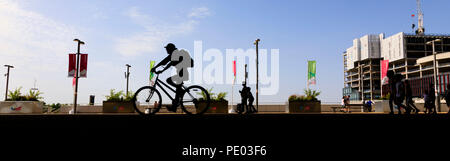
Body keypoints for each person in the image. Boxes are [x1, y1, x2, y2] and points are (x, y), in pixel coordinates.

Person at [151, 43, 193, 112]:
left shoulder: (176, 53)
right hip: (181, 72)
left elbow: (168, 63)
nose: (166, 51)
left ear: (170, 49)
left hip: (182, 73)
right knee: (176, 88)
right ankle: (175, 106)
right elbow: (164, 61)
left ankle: (180, 93)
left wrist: (160, 69)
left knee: (169, 81)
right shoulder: (173, 54)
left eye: (167, 49)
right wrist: (157, 68)